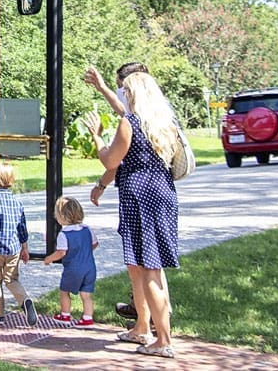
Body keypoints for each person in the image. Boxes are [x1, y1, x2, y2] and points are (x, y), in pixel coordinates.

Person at [82, 71, 179, 359]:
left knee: (148, 269)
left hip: (138, 198)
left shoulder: (130, 123)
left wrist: (97, 137)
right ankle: (143, 330)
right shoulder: (165, 124)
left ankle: (163, 339)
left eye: (125, 90)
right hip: (163, 195)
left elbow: (111, 159)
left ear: (134, 94)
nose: (123, 94)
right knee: (142, 266)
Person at [0, 163, 38, 327]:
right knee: (12, 279)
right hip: (13, 249)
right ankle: (25, 300)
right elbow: (22, 227)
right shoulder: (16, 202)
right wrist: (25, 248)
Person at [43, 196, 98, 327]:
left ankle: (65, 314)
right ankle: (87, 318)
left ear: (61, 216)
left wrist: (49, 258)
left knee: (64, 291)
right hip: (90, 267)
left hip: (73, 268)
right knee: (86, 294)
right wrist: (84, 250)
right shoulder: (87, 229)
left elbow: (61, 252)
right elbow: (95, 244)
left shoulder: (64, 234)